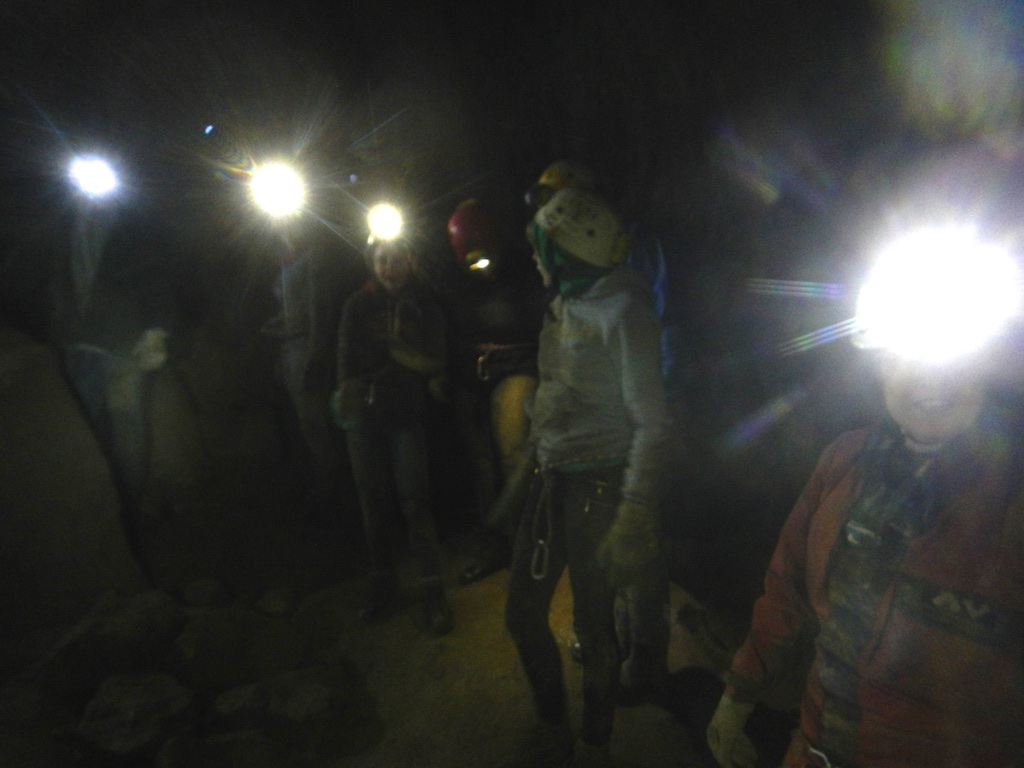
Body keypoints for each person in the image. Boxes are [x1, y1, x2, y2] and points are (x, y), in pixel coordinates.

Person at [706, 225, 1024, 768]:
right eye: (905, 356)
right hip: (816, 744)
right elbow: (786, 586)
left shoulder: (1011, 492)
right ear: (879, 367)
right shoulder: (845, 460)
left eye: (954, 358)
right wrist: (740, 691)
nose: (929, 379)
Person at [504, 187, 674, 767]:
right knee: (522, 615)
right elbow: (560, 394)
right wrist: (529, 458)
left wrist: (634, 513)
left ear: (567, 250)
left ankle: (595, 744)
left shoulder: (624, 310)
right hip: (553, 478)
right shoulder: (566, 302)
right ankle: (554, 723)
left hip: (599, 486)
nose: (535, 258)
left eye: (542, 247)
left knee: (594, 628)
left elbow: (652, 423)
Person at [333, 236, 454, 636]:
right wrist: (347, 393)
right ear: (372, 262)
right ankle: (384, 584)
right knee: (373, 504)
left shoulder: (424, 305)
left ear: (410, 261)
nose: (390, 268)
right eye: (382, 260)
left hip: (405, 413)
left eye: (397, 260)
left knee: (415, 503)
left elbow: (435, 361)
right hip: (365, 416)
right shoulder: (357, 305)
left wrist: (399, 351)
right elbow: (345, 359)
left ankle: (433, 591)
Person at [443, 199, 545, 585]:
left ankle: (528, 541)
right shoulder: (453, 275)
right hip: (469, 373)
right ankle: (497, 541)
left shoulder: (522, 269)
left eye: (485, 257)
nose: (480, 266)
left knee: (514, 455)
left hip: (516, 366)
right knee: (481, 464)